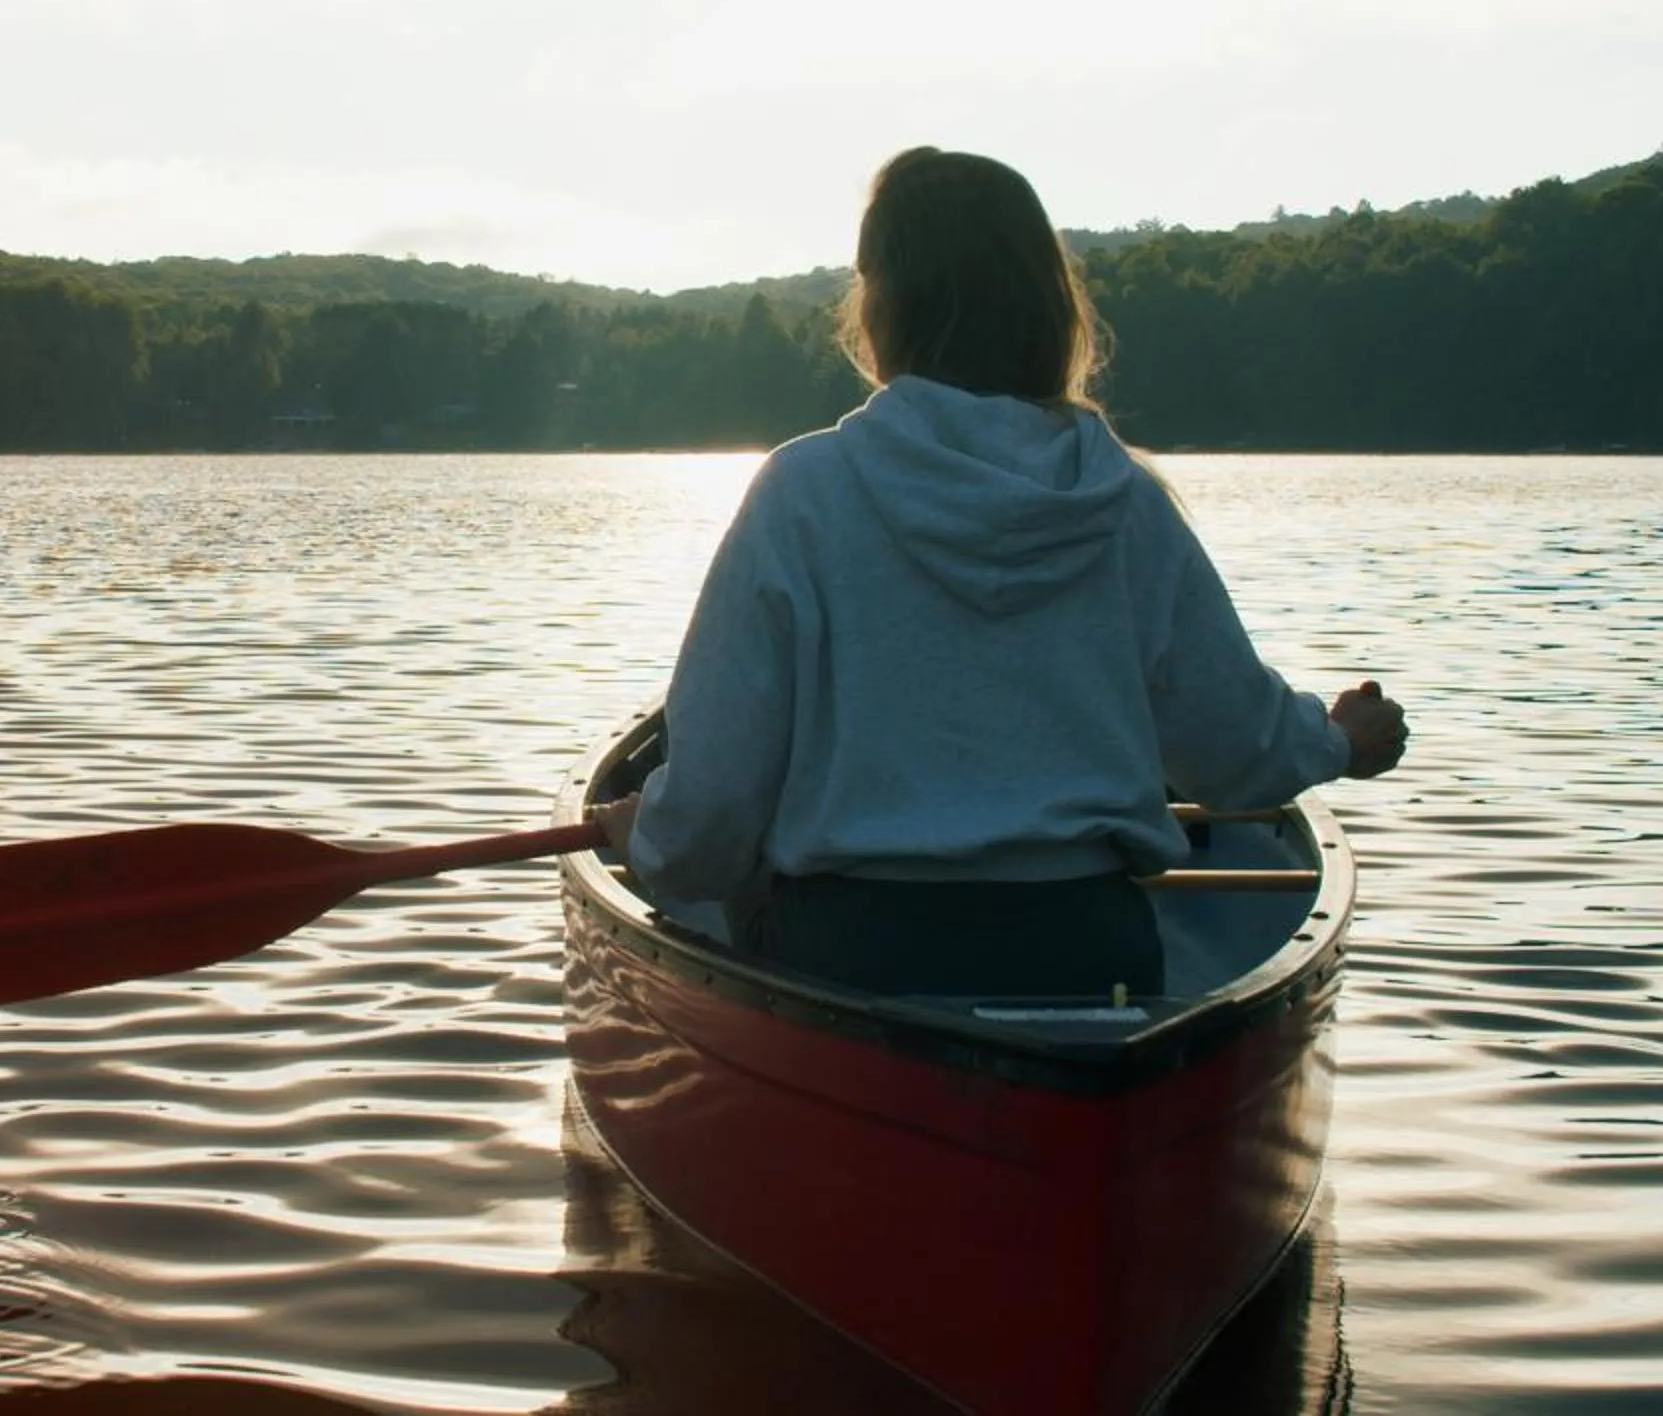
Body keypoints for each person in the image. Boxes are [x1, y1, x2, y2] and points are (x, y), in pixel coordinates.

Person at [590, 146, 1406, 998]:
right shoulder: (1122, 502)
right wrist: (1338, 741)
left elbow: (711, 820)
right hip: (1088, 954)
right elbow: (1237, 752)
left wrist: (649, 834)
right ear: (1047, 299)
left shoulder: (803, 494)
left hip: (852, 960)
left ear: (882, 303)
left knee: (713, 901)